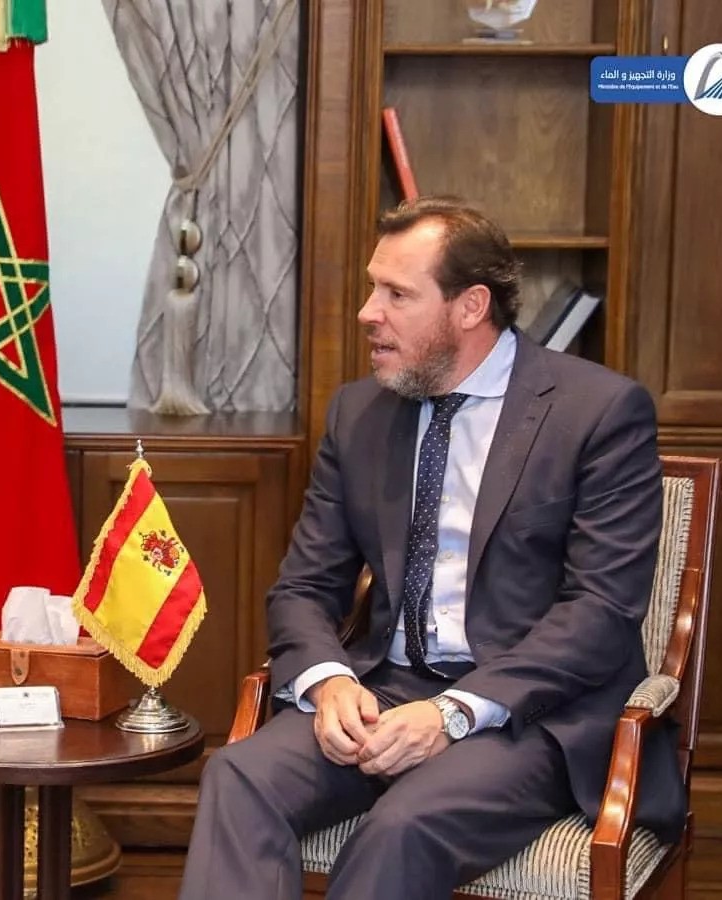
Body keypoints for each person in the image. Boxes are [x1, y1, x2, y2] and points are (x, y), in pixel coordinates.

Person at [179, 195, 683, 899]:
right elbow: (304, 586)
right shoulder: (359, 413)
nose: (368, 312)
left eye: (397, 294)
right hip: (385, 690)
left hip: (529, 715)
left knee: (403, 825)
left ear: (470, 306)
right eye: (372, 289)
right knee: (238, 775)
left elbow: (600, 612)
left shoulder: (597, 412)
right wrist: (329, 681)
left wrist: (454, 712)